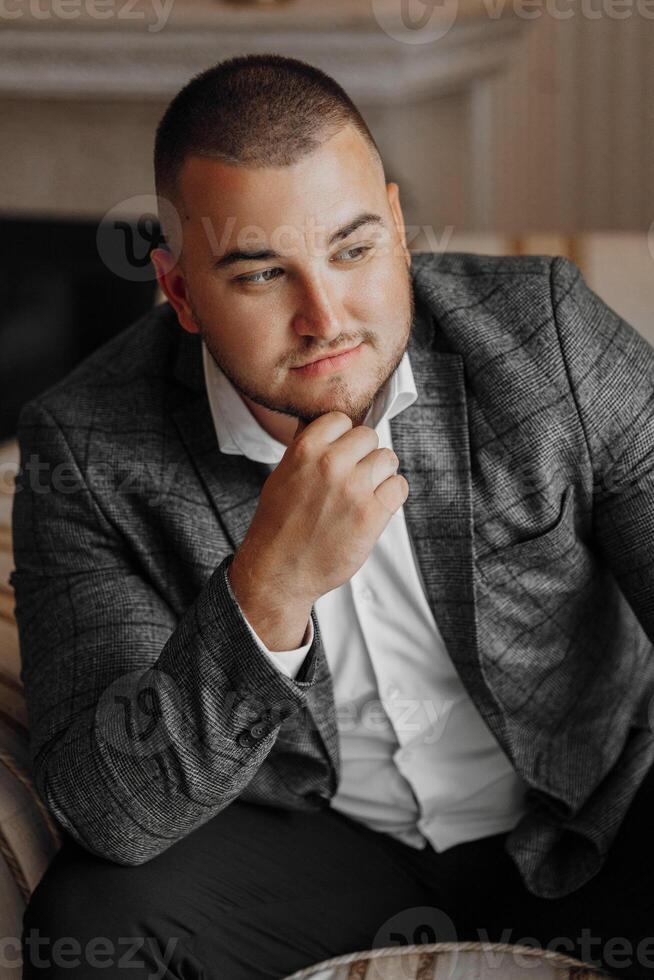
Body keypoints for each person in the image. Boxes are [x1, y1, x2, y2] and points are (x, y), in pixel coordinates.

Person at [12, 53, 654, 980]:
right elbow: (105, 808)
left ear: (397, 226)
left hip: (594, 817)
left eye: (353, 250)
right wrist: (268, 590)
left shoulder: (544, 336)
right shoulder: (85, 447)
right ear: (182, 290)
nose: (325, 318)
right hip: (330, 856)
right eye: (262, 274)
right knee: (92, 920)